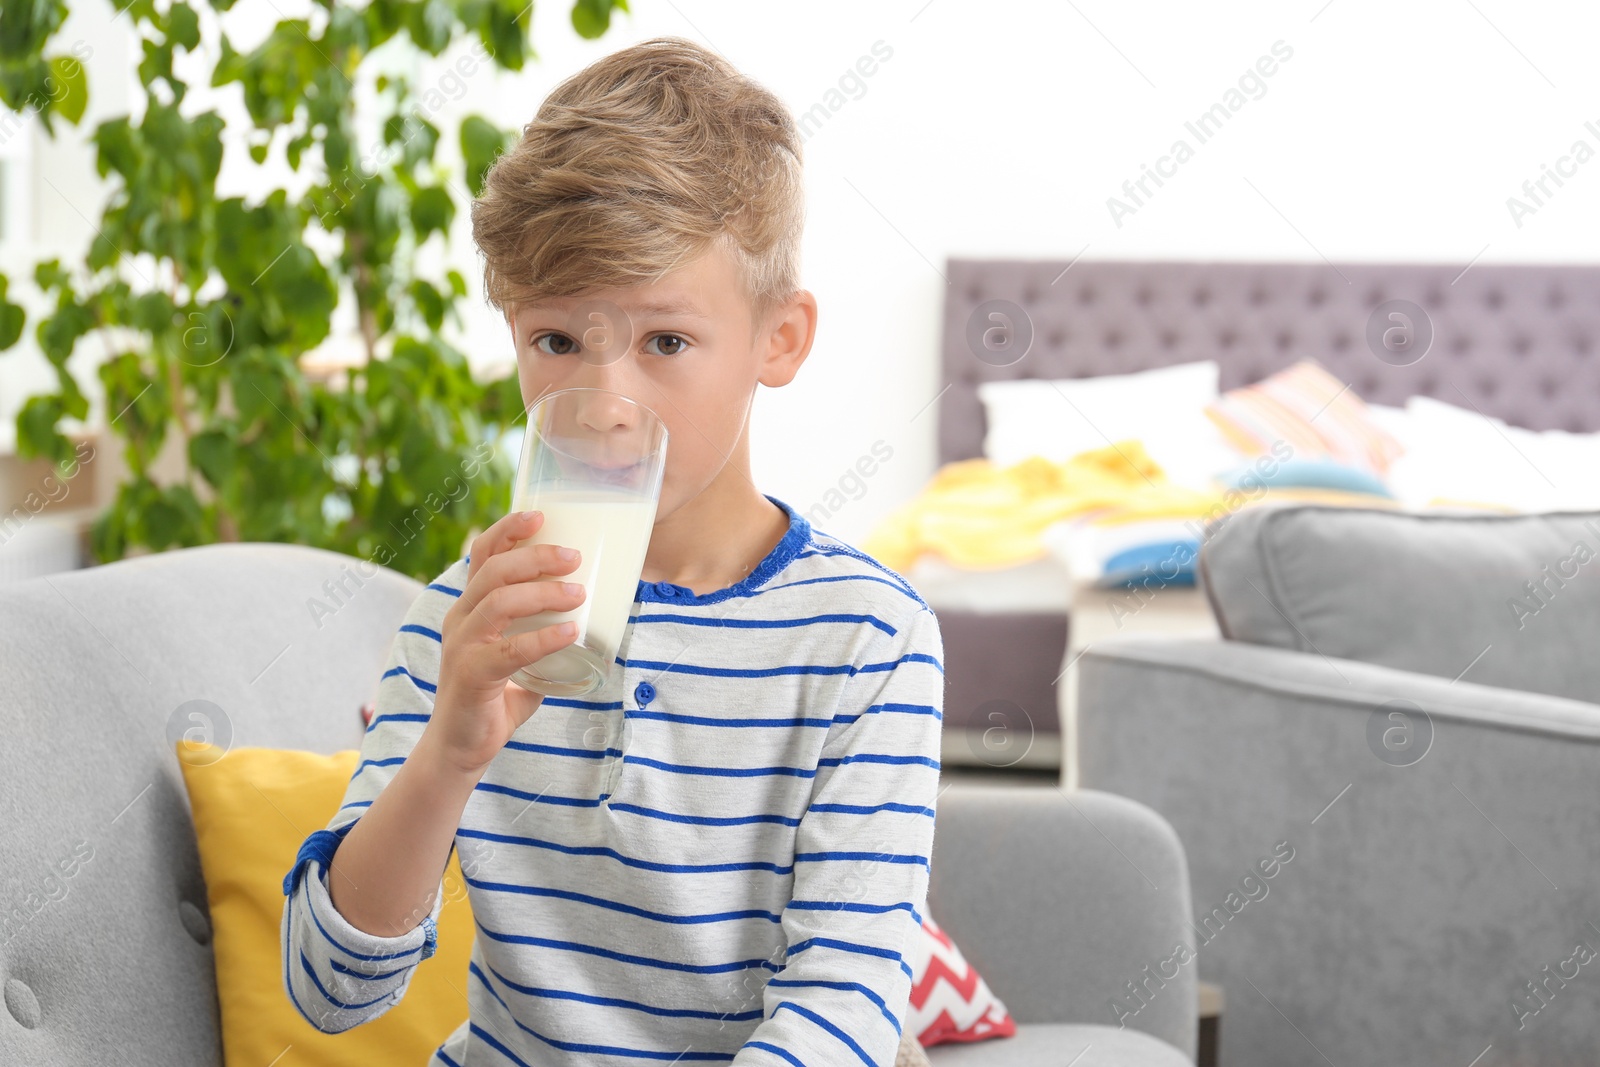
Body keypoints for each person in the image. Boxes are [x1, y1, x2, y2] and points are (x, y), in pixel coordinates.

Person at [279, 34, 944, 1067]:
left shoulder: (867, 638)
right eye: (556, 342)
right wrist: (447, 754)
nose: (608, 405)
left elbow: (844, 1000)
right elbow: (329, 991)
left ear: (780, 338)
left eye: (664, 343)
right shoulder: (469, 620)